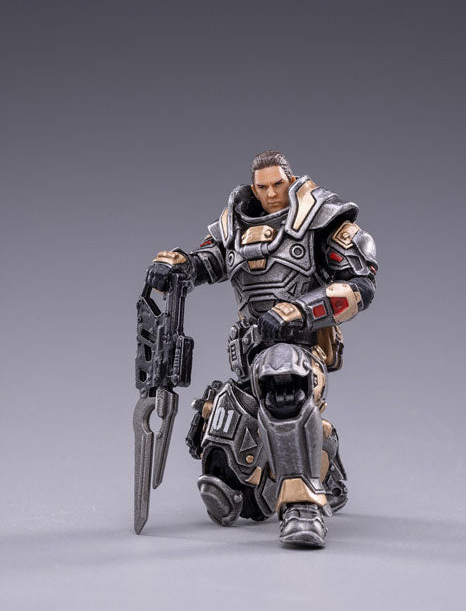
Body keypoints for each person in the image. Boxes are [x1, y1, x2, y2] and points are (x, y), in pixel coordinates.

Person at [144, 150, 377, 547]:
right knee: (228, 489)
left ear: (291, 180)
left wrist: (300, 310)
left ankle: (302, 505)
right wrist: (179, 267)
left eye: (277, 184)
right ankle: (324, 454)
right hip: (248, 356)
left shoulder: (320, 218)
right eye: (262, 186)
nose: (270, 193)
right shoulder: (235, 225)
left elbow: (360, 286)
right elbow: (208, 262)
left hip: (299, 350)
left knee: (282, 382)